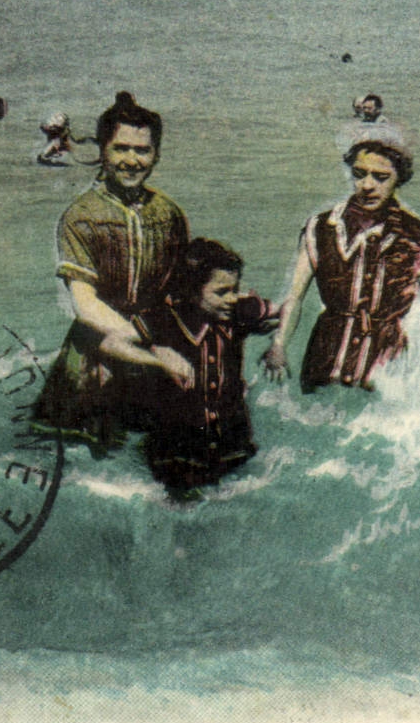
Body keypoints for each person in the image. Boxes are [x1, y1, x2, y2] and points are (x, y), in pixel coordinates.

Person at [31, 92, 191, 447]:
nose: (131, 160)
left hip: (153, 350)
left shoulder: (169, 214)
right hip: (94, 351)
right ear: (102, 151)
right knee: (77, 453)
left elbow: (180, 294)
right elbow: (86, 306)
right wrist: (153, 350)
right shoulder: (81, 216)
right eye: (121, 149)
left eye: (142, 150)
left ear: (157, 154)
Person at [262, 124, 420, 391]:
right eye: (359, 174)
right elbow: (294, 296)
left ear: (399, 178)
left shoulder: (418, 235)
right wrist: (279, 345)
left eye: (381, 177)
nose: (367, 186)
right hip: (326, 356)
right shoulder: (321, 227)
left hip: (384, 367)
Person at [130, 239, 278, 500]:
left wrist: (279, 344)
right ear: (191, 291)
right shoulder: (163, 321)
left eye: (235, 290)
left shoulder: (236, 312)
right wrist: (156, 354)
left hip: (232, 442)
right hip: (178, 450)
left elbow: (285, 310)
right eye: (221, 292)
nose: (232, 299)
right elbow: (113, 341)